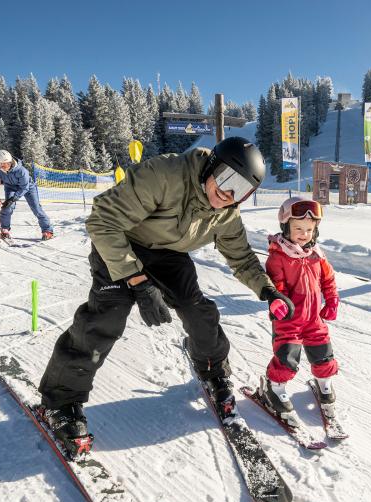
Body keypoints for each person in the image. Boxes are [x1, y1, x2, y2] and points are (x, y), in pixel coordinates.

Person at [37, 137, 294, 448]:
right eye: (226, 179)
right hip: (120, 244)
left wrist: (267, 290)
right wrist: (137, 281)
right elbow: (103, 220)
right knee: (108, 315)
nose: (228, 194)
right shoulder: (165, 175)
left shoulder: (226, 213)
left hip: (168, 255)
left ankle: (213, 369)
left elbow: (240, 256)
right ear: (211, 166)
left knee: (196, 308)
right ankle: (60, 401)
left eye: (241, 191)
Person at [255, 198, 339, 414]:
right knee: (287, 358)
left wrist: (331, 300)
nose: (304, 234)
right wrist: (278, 303)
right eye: (298, 228)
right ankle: (274, 387)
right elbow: (277, 287)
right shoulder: (278, 257)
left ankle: (324, 383)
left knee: (323, 353)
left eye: (309, 229)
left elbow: (328, 280)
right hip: (288, 320)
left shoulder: (316, 255)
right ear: (285, 227)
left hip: (313, 319)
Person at [0, 149, 54, 240]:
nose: (4, 167)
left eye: (6, 164)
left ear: (10, 161)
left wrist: (12, 199)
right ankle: (4, 229)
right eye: (1, 165)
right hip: (10, 187)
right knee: (7, 208)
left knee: (36, 208)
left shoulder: (21, 171)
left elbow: (24, 188)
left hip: (28, 188)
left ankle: (47, 230)